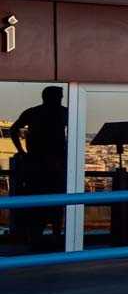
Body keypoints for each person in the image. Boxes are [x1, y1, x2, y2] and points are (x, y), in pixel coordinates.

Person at [6, 85, 67, 247]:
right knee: (57, 203)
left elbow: (13, 130)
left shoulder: (32, 112)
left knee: (36, 204)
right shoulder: (64, 113)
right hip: (55, 165)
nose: (61, 99)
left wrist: (22, 152)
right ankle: (55, 237)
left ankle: (34, 238)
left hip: (35, 164)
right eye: (60, 96)